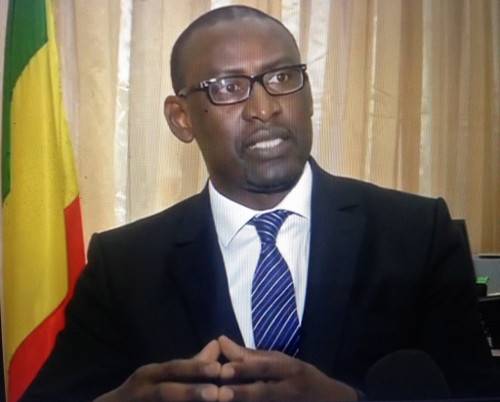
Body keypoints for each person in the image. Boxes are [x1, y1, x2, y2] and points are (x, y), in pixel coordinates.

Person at [22, 5, 498, 402]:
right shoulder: (125, 265)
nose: (265, 107)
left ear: (307, 96)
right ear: (181, 118)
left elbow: (475, 391)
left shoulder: (417, 234)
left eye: (282, 77)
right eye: (228, 87)